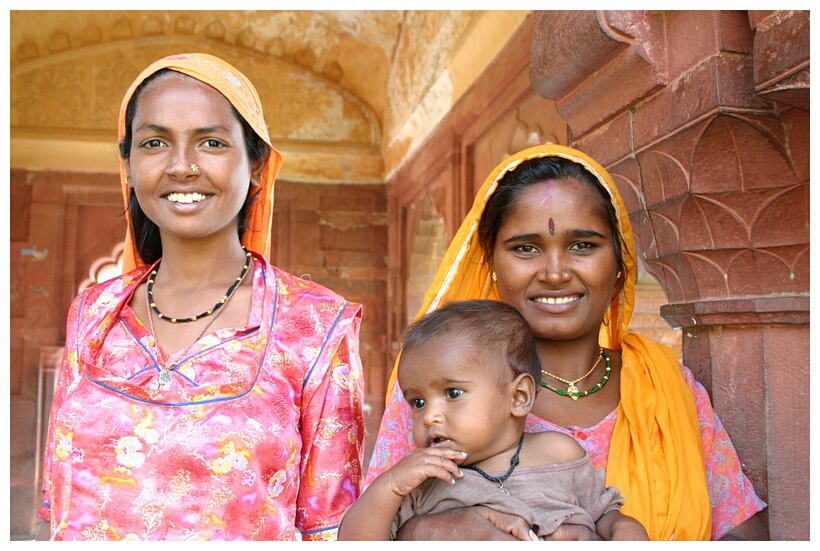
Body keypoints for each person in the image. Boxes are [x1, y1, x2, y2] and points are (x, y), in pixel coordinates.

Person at [36, 53, 365, 541]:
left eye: (211, 142)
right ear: (127, 166)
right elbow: (60, 513)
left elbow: (331, 530)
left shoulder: (316, 326)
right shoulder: (92, 313)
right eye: (155, 143)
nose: (182, 166)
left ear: (256, 166)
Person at [365, 144, 768, 541]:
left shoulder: (665, 386)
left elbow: (741, 533)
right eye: (525, 248)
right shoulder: (436, 396)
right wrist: (438, 528)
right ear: (490, 263)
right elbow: (375, 526)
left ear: (619, 262)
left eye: (583, 246)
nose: (555, 272)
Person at [339, 299, 648, 541]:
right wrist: (391, 486)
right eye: (417, 402)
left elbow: (603, 514)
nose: (430, 415)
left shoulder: (559, 453)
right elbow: (356, 540)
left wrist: (627, 532)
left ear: (519, 397)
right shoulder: (427, 480)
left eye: (453, 392)